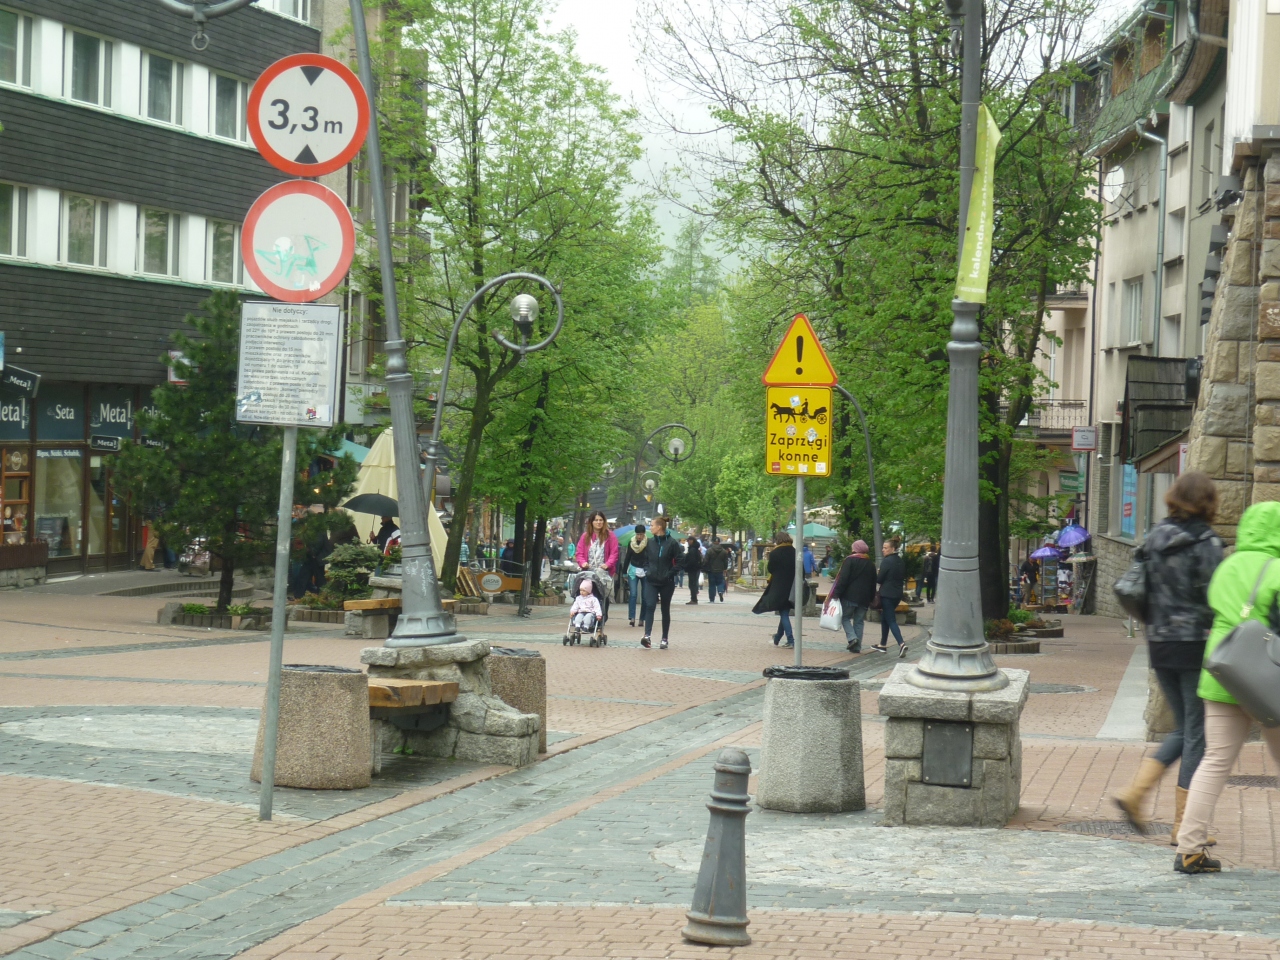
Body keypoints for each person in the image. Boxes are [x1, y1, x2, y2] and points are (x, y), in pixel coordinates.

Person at [1113, 471, 1224, 838]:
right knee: (1196, 733)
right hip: (1194, 644)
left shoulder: (1155, 537)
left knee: (1185, 728)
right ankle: (1183, 825)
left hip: (1159, 642)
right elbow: (1215, 596)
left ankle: (1136, 792)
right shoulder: (1207, 542)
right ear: (1208, 502)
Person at [1173, 499, 1280, 874]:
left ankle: (1189, 849)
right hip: (1267, 679)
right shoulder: (1277, 570)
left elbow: (1210, 609)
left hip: (1224, 671)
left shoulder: (1227, 565)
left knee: (1215, 761)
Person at [641, 515, 683, 648]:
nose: (650, 528)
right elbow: (645, 559)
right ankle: (647, 636)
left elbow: (680, 561)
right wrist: (647, 571)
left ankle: (664, 638)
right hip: (651, 580)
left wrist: (670, 574)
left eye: (652, 525)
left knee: (665, 609)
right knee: (650, 605)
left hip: (666, 582)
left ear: (659, 527)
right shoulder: (649, 542)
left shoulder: (672, 543)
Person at [833, 539, 878, 653]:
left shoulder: (849, 560)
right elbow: (873, 583)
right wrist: (871, 597)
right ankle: (856, 647)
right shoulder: (870, 563)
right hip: (864, 598)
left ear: (856, 549)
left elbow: (843, 579)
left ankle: (852, 638)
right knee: (859, 621)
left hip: (850, 596)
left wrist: (836, 593)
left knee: (844, 618)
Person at [753, 533, 797, 647]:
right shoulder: (796, 552)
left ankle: (791, 640)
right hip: (793, 587)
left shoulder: (775, 553)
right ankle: (777, 637)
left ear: (778, 540)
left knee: (784, 613)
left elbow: (771, 569)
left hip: (779, 587)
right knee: (784, 611)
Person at [872, 539, 907, 657]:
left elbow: (879, 579)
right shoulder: (900, 561)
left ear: (893, 549)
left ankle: (901, 644)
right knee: (885, 617)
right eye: (883, 547)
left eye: (886, 548)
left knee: (891, 619)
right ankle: (882, 644)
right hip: (898, 594)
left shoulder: (886, 561)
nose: (883, 550)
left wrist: (879, 572)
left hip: (887, 594)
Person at [576, 511, 619, 582]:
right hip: (588, 572)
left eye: (600, 520)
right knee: (586, 588)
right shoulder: (585, 536)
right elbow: (579, 553)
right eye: (596, 520)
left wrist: (608, 564)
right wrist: (583, 562)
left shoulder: (610, 536)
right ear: (591, 522)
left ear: (604, 521)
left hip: (604, 572)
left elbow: (614, 553)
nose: (598, 522)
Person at [624, 523, 650, 626]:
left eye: (641, 534)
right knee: (633, 594)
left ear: (644, 534)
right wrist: (624, 572)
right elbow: (627, 557)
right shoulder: (631, 543)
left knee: (645, 596)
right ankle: (632, 617)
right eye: (638, 534)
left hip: (645, 570)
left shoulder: (648, 543)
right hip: (633, 570)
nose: (639, 536)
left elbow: (651, 558)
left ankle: (642, 618)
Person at [703, 537, 729, 603]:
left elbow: (706, 560)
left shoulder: (709, 550)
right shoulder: (724, 551)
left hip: (711, 570)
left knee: (712, 585)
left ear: (712, 542)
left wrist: (705, 568)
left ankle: (712, 599)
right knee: (720, 582)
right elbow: (726, 561)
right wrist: (725, 568)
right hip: (720, 570)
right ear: (719, 542)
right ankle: (720, 591)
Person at [683, 535, 703, 604]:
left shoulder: (692, 550)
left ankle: (693, 599)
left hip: (692, 569)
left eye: (688, 540)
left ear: (692, 541)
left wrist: (686, 566)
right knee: (694, 583)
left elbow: (692, 560)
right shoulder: (696, 549)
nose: (688, 542)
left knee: (692, 584)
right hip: (696, 568)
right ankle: (694, 598)